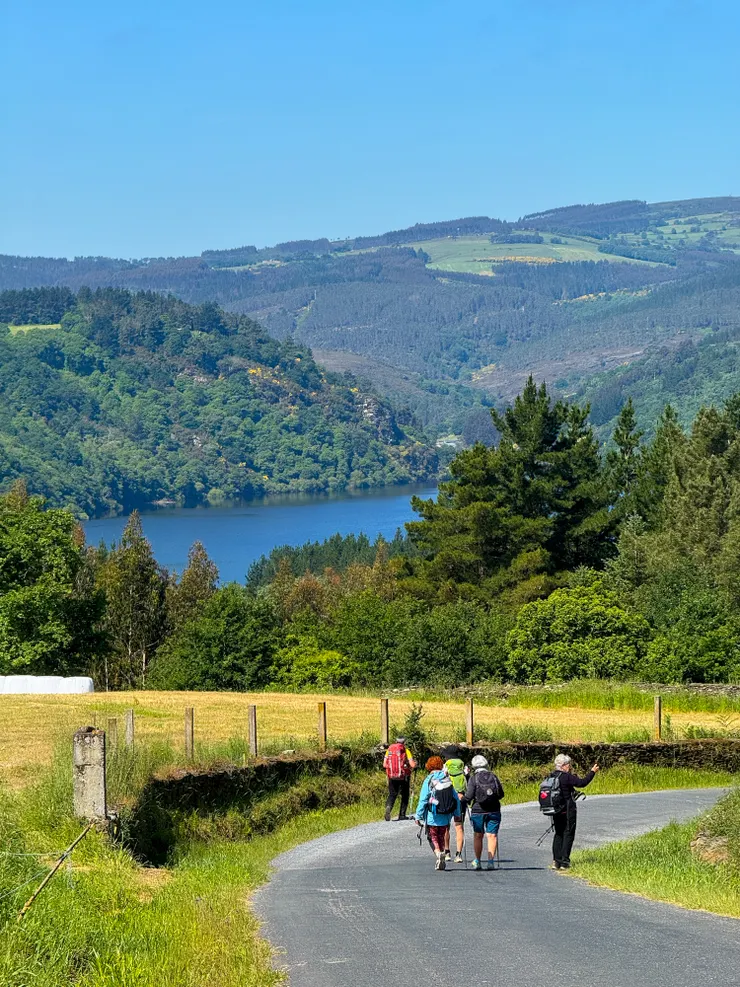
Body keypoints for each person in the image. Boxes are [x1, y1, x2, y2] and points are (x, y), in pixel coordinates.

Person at [549, 753, 599, 870]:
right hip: (567, 810)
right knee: (568, 834)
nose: (569, 767)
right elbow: (582, 783)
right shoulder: (566, 777)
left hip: (555, 810)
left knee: (558, 834)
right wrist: (592, 772)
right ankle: (564, 862)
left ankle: (556, 861)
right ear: (564, 765)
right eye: (568, 765)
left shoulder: (551, 776)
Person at [414, 756, 460, 870]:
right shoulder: (446, 778)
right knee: (441, 836)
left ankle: (439, 854)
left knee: (432, 836)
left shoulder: (429, 779)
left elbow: (424, 799)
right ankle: (443, 852)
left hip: (432, 815)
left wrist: (418, 815)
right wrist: (457, 813)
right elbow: (456, 798)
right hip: (446, 816)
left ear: (429, 767)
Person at [464, 754, 504, 871]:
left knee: (478, 835)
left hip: (478, 810)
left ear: (473, 766)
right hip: (494, 809)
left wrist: (462, 800)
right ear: (486, 764)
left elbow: (469, 796)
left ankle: (478, 861)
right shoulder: (493, 776)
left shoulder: (473, 778)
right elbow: (501, 794)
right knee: (492, 836)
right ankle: (491, 862)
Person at [383, 736, 417, 821]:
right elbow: (412, 765)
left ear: (395, 741)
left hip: (392, 776)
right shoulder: (406, 750)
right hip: (404, 776)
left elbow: (384, 765)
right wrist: (415, 764)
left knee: (392, 794)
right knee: (405, 795)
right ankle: (402, 815)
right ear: (404, 742)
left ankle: (388, 807)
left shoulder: (389, 750)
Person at [443, 756, 469, 863]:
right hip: (460, 799)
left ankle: (447, 852)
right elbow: (469, 786)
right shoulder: (464, 769)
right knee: (459, 827)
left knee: (446, 827)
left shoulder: (445, 767)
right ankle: (458, 854)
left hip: (448, 800)